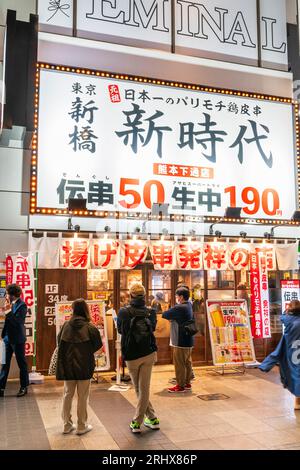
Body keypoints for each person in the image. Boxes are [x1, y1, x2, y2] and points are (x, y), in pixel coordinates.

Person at [117, 283, 159, 433]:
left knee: (139, 389)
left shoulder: (123, 312)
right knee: (144, 388)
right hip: (148, 352)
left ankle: (137, 422)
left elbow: (120, 330)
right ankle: (152, 418)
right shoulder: (151, 311)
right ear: (144, 295)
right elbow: (152, 328)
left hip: (132, 354)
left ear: (130, 295)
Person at [56, 298, 102, 435]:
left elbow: (59, 342)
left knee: (67, 394)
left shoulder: (65, 326)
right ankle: (82, 426)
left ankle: (66, 425)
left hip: (67, 366)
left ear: (73, 310)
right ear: (86, 310)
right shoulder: (90, 327)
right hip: (84, 365)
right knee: (83, 396)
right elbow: (98, 345)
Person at [259, 300, 300, 410]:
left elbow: (281, 317)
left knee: (295, 373)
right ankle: (298, 400)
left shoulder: (287, 319)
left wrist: (286, 310)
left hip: (292, 351)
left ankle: (298, 400)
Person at [162, 286, 194, 393]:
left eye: (176, 296)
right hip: (189, 339)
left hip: (180, 340)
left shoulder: (180, 307)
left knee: (179, 363)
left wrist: (172, 315)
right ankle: (187, 383)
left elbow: (165, 314)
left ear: (180, 297)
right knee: (187, 362)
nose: (176, 298)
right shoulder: (189, 305)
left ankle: (180, 386)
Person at [0, 284, 29, 397]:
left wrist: (8, 312)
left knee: (21, 364)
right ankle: (1, 388)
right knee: (4, 364)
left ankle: (24, 387)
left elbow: (17, 322)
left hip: (18, 339)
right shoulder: (9, 304)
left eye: (7, 293)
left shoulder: (22, 305)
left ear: (12, 295)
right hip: (7, 338)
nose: (6, 295)